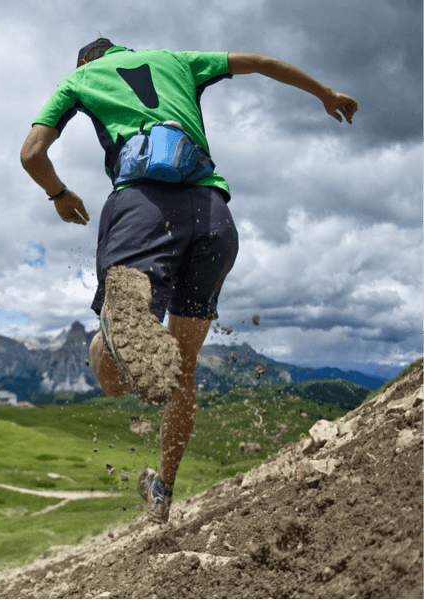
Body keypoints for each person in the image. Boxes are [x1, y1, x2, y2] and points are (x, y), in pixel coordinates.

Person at [21, 38, 357, 524]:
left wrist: (57, 193)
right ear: (123, 50)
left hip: (142, 208)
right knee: (184, 369)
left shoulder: (79, 79)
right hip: (214, 218)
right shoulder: (177, 61)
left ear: (86, 62)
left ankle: (116, 328)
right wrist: (326, 94)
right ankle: (164, 491)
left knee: (114, 372)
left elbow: (33, 153)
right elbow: (260, 61)